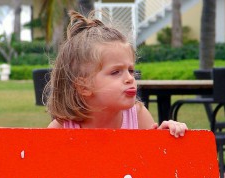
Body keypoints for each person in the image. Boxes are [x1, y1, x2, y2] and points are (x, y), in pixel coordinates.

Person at [46, 10, 187, 137]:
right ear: (84, 86)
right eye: (115, 72)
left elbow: (153, 161)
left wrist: (165, 137)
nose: (129, 79)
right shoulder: (61, 128)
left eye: (131, 70)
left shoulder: (138, 116)